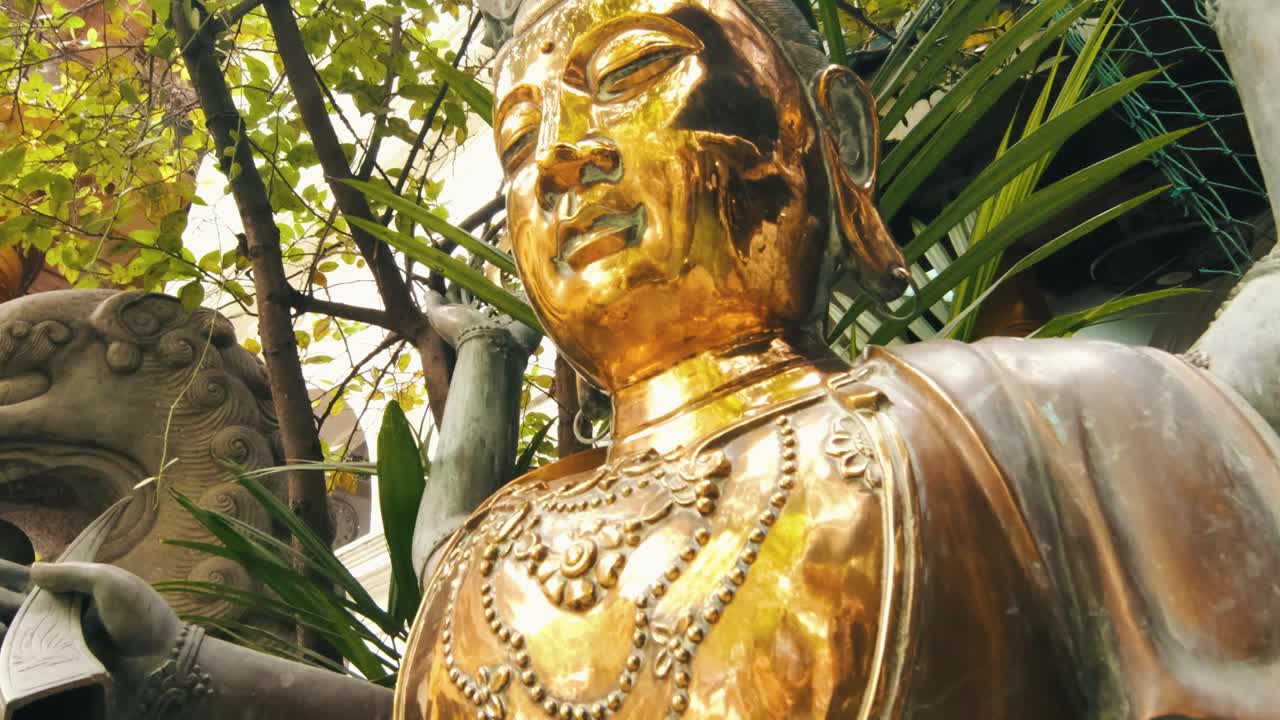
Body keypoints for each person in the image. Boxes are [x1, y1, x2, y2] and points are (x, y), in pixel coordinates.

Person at [4, 0, 1279, 718]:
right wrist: (178, 667)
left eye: (633, 72)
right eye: (516, 144)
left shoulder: (1050, 417)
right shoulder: (482, 571)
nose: (559, 158)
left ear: (828, 127)